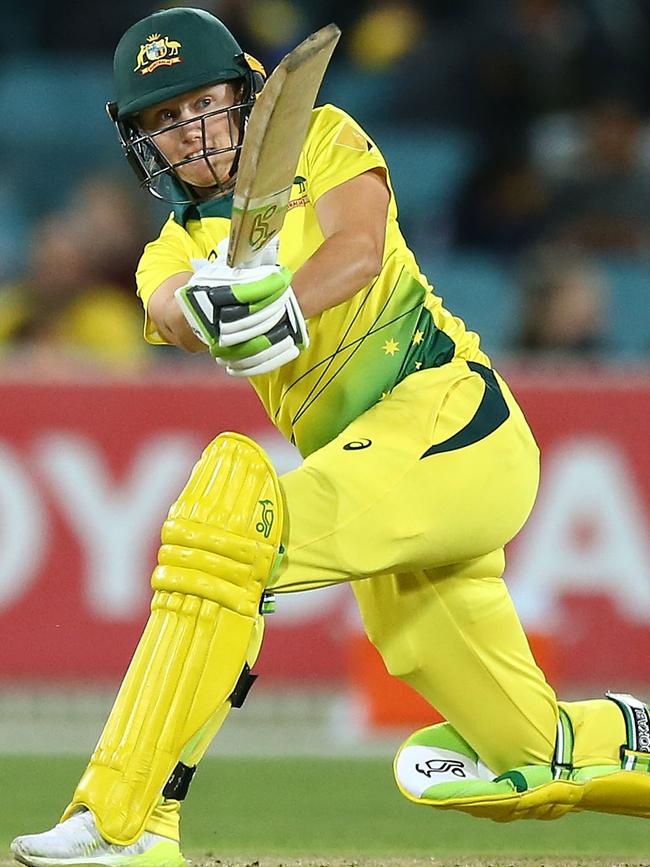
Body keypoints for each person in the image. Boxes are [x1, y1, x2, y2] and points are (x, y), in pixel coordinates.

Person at [11, 8, 650, 867]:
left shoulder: (321, 139)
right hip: (379, 479)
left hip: (451, 424)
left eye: (199, 103)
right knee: (530, 754)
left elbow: (358, 245)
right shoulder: (166, 253)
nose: (187, 134)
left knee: (231, 518)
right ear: (141, 146)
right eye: (161, 121)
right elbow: (171, 308)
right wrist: (214, 306)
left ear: (243, 97)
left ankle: (126, 819)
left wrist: (282, 303)